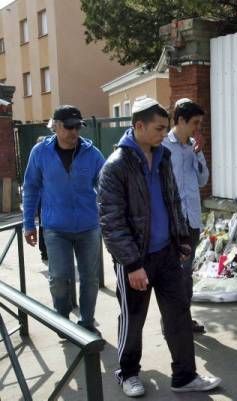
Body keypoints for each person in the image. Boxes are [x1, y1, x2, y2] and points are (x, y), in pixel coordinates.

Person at [97, 98, 221, 397]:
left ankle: (185, 376)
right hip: (136, 260)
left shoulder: (162, 156)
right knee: (134, 319)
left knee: (178, 313)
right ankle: (127, 374)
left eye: (166, 127)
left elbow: (173, 200)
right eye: (159, 128)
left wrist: (180, 241)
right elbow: (111, 222)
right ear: (138, 126)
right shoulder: (115, 167)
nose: (164, 133)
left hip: (166, 254)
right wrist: (132, 264)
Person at [22, 105, 104, 336]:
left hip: (89, 227)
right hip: (55, 228)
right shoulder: (40, 152)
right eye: (69, 127)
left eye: (78, 127)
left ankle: (87, 324)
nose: (74, 132)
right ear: (55, 126)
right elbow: (31, 188)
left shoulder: (93, 154)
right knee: (59, 277)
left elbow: (107, 186)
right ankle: (62, 319)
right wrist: (29, 223)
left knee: (90, 277)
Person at [162, 98, 209, 334]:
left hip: (191, 221)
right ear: (180, 120)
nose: (197, 129)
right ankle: (171, 321)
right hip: (170, 223)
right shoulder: (162, 146)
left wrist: (199, 155)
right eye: (195, 123)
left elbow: (203, 180)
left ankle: (184, 318)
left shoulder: (193, 147)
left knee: (186, 275)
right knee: (172, 275)